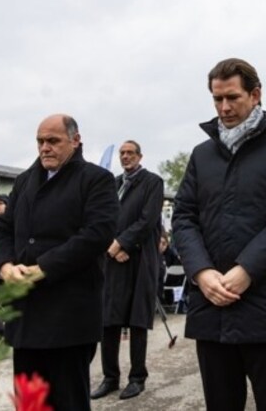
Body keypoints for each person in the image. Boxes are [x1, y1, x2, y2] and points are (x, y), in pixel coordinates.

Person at [172, 58, 266, 411]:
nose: (224, 107)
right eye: (217, 99)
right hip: (211, 304)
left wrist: (246, 269)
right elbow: (184, 216)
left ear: (256, 94)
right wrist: (201, 271)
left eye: (232, 97)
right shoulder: (202, 155)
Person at [0, 114, 118, 410]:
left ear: (75, 140)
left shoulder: (96, 180)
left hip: (69, 314)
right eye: (40, 141)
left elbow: (96, 234)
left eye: (53, 141)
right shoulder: (24, 182)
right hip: (26, 312)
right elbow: (2, 230)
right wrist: (4, 266)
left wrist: (43, 268)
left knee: (67, 400)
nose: (45, 147)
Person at [92, 140, 163, 401]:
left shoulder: (152, 182)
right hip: (112, 259)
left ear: (140, 156)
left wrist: (122, 244)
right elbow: (102, 216)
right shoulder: (113, 183)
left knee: (137, 320)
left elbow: (148, 219)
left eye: (130, 153)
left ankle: (137, 377)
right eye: (122, 153)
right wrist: (111, 247)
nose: (125, 157)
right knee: (108, 320)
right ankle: (110, 377)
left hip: (140, 258)